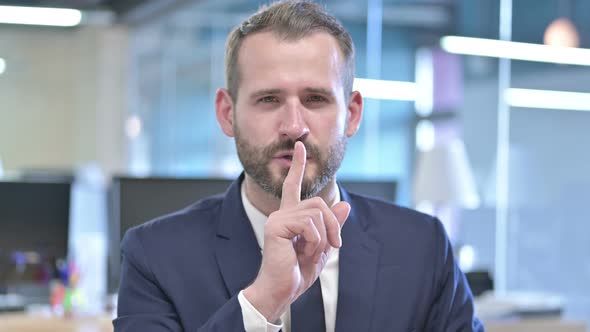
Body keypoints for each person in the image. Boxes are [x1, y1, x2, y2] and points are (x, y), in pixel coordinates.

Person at [114, 1, 484, 331]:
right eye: (269, 99)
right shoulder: (155, 255)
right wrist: (261, 304)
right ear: (227, 114)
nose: (294, 125)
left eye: (316, 99)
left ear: (352, 114)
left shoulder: (423, 248)